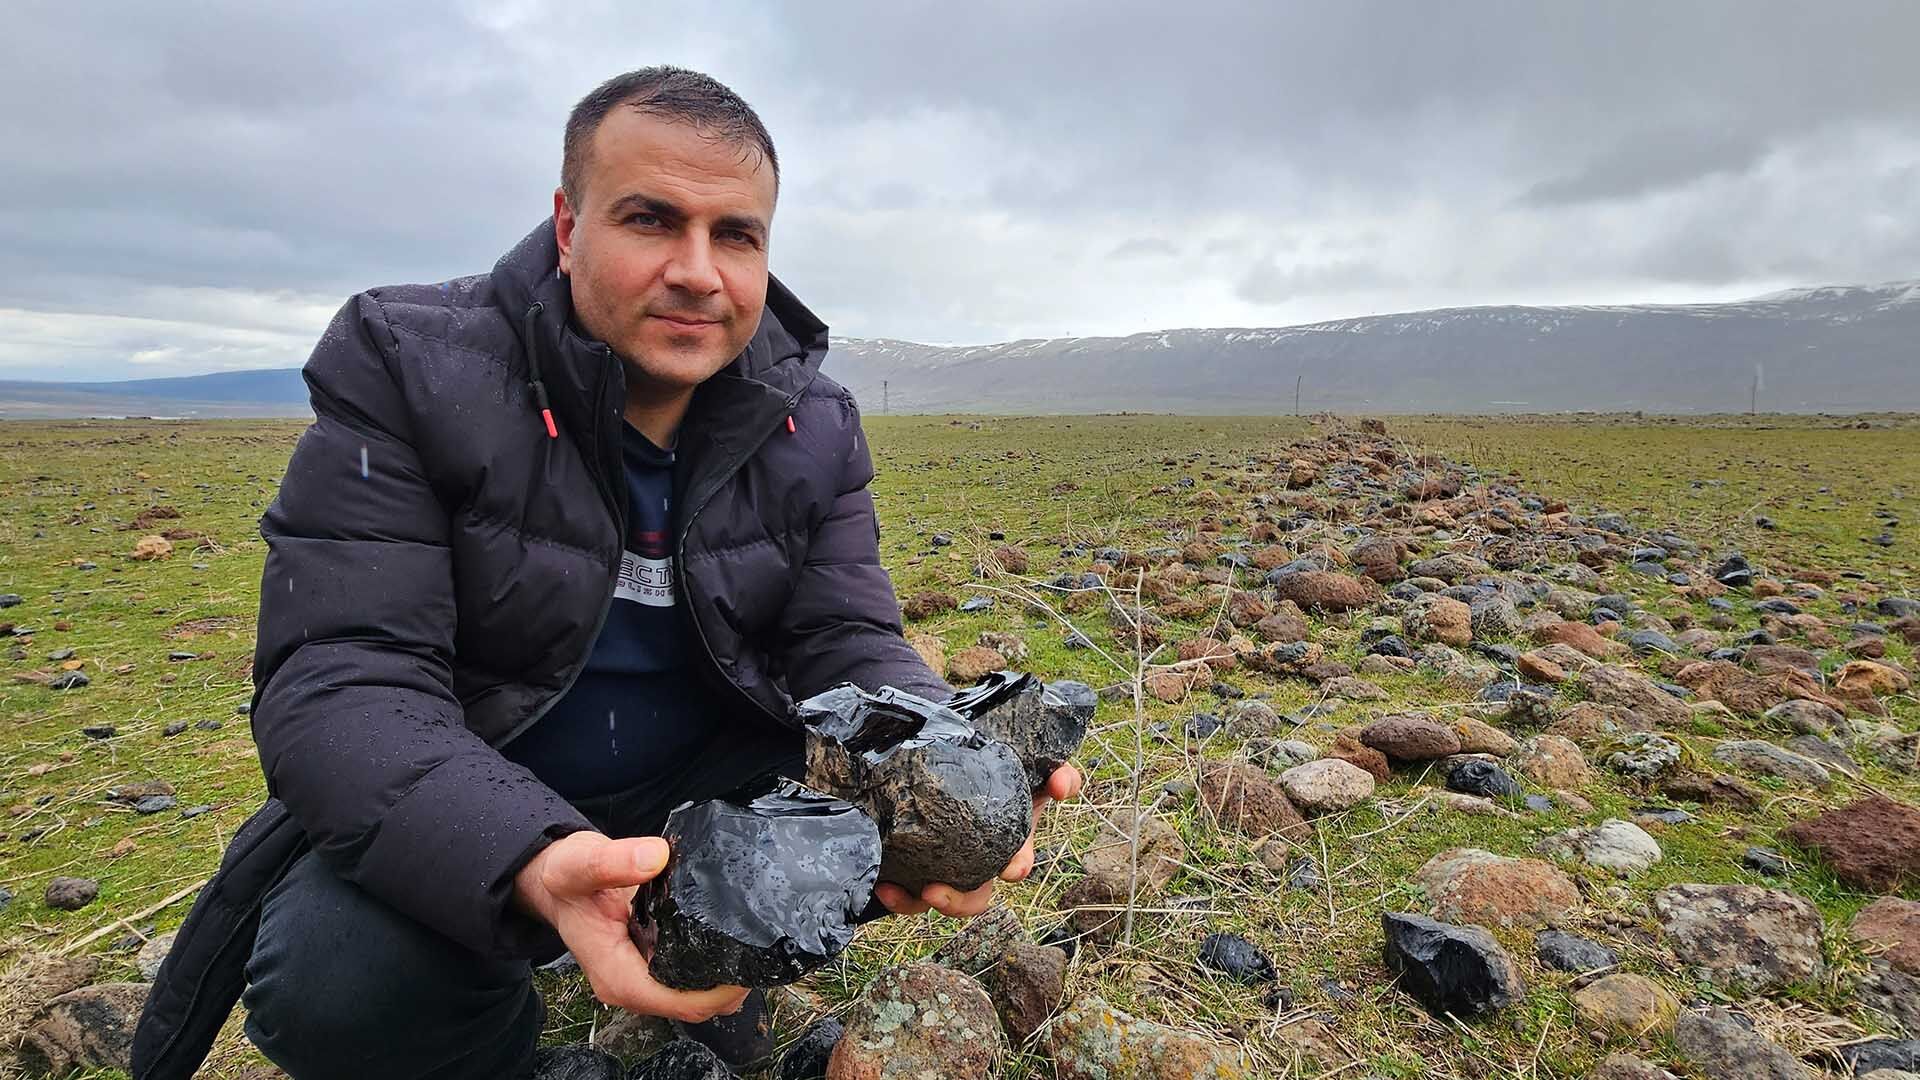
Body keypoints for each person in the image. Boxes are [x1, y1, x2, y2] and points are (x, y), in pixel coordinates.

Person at [131, 67, 1080, 1080]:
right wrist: (531, 860)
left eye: (737, 236)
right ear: (568, 223)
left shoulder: (813, 421)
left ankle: (713, 973)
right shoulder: (409, 367)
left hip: (706, 782)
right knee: (339, 983)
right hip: (481, 779)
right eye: (650, 220)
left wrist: (936, 752)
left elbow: (841, 637)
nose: (698, 272)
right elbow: (345, 679)